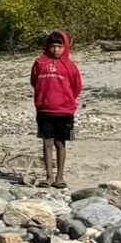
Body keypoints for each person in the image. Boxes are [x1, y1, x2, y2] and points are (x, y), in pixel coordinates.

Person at [31, 31, 82, 188]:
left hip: (64, 111)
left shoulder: (70, 66)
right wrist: (44, 99)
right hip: (44, 110)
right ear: (47, 47)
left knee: (60, 143)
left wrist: (65, 101)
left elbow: (76, 87)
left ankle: (60, 177)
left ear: (65, 47)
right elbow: (34, 82)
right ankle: (49, 177)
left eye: (59, 46)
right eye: (52, 46)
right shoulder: (40, 64)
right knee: (47, 143)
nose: (56, 50)